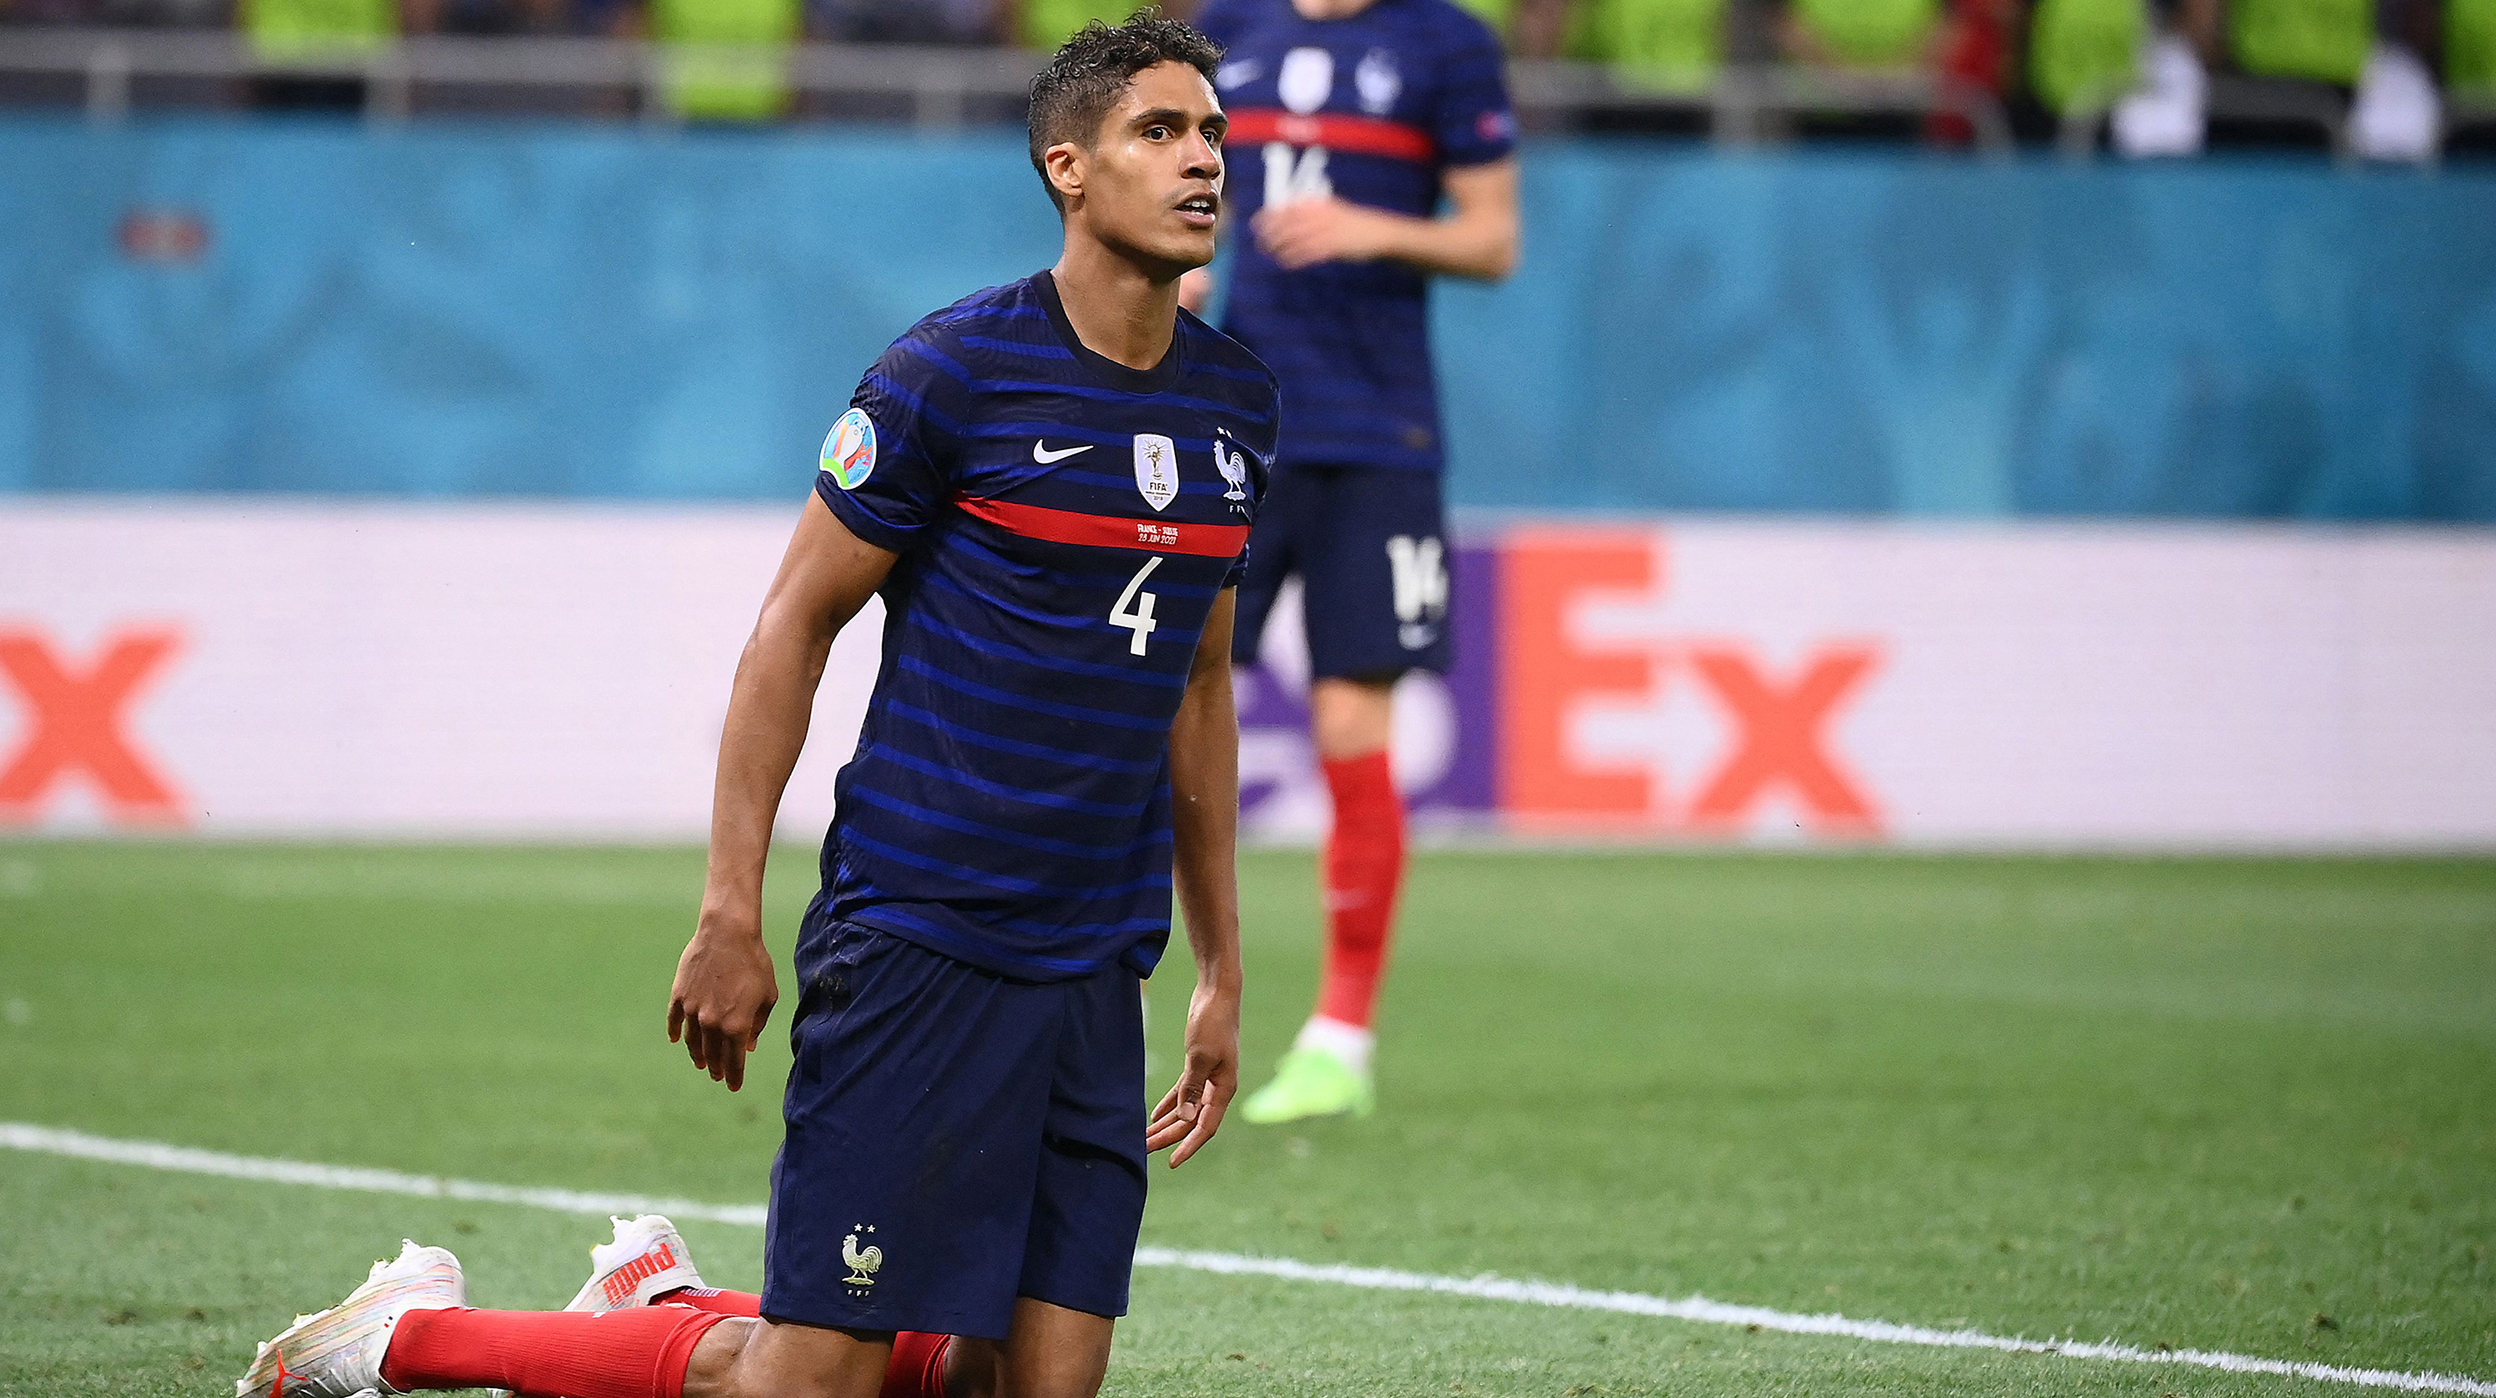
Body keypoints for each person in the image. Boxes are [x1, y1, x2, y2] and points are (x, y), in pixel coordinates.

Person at [234, 16, 1277, 1398]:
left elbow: (1198, 686)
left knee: (1019, 1386)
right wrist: (731, 905)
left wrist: (1217, 964)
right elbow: (792, 626)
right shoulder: (950, 376)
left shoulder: (1235, 409)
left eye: (1211, 131)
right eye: (1162, 131)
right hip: (922, 936)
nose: (1203, 158)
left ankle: (654, 1301)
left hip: (1093, 967)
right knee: (807, 1383)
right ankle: (408, 1337)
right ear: (1067, 168)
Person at [1185, 0, 1519, 1124]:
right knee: (1161, 704)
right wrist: (1182, 271)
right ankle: (1123, 1000)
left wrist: (1376, 229)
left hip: (1381, 440)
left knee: (1348, 726)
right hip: (1242, 429)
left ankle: (1339, 1039)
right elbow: (1195, 194)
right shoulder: (1233, 27)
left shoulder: (1445, 43)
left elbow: (1493, 237)